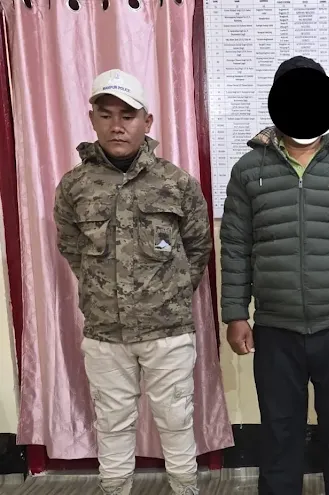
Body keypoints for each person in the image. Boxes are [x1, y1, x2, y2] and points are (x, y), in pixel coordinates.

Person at [220, 55, 329, 495]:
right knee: (279, 431)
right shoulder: (249, 170)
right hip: (276, 328)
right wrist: (235, 313)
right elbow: (236, 246)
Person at [53, 69, 212, 495]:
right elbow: (71, 247)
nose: (117, 125)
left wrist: (172, 293)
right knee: (112, 423)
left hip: (167, 332)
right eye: (106, 115)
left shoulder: (175, 182)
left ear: (147, 121)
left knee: (176, 421)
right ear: (92, 119)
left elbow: (198, 246)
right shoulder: (74, 186)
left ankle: (185, 488)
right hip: (106, 333)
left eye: (128, 115)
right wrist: (102, 291)